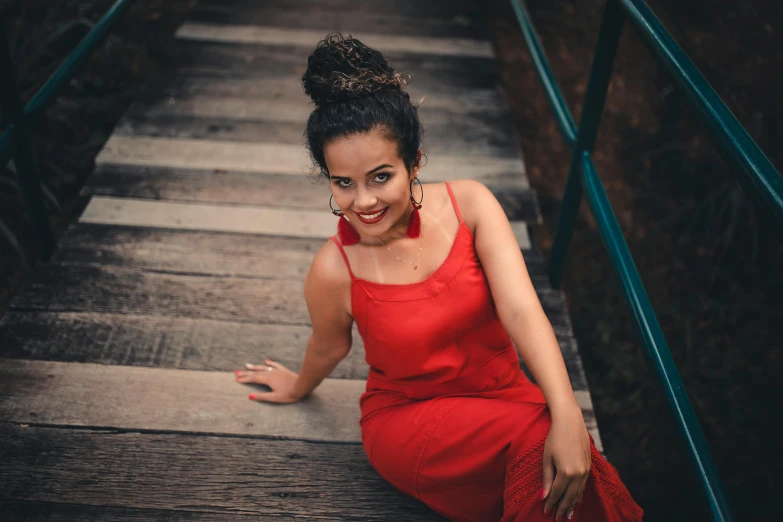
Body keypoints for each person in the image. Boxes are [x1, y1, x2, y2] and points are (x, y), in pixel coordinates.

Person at [233, 33, 643, 522]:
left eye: (381, 176)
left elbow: (521, 309)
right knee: (542, 442)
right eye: (344, 183)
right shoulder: (332, 269)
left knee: (569, 449)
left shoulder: (471, 205)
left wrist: (569, 412)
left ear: (415, 163)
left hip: (505, 397)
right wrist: (299, 386)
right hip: (410, 421)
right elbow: (330, 346)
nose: (363, 201)